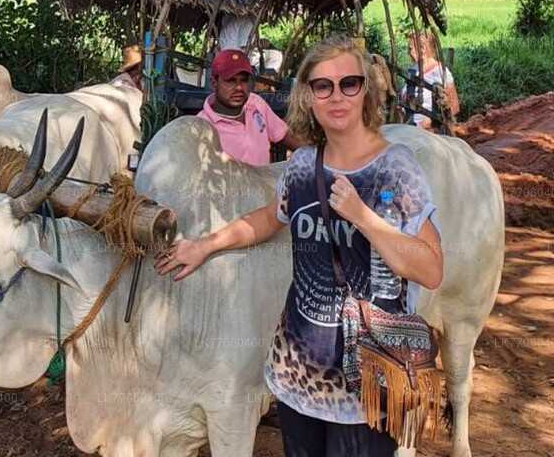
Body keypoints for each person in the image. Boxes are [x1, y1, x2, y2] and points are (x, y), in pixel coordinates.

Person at [156, 33, 445, 457]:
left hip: (368, 383)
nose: (336, 96)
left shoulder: (396, 167)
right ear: (307, 97)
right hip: (296, 376)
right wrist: (205, 245)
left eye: (349, 83)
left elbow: (432, 269)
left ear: (366, 90)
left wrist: (364, 217)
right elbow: (269, 219)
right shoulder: (303, 164)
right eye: (322, 86)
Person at [197, 49, 298, 165]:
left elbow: (285, 136)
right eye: (231, 81)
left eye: (244, 80)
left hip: (265, 182)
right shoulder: (202, 127)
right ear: (214, 83)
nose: (239, 88)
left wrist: (319, 157)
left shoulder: (255, 103)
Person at [404, 31, 459, 130]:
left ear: (423, 49)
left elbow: (454, 106)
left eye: (410, 48)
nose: (408, 52)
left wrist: (430, 122)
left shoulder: (440, 72)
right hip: (408, 125)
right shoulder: (412, 71)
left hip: (429, 129)